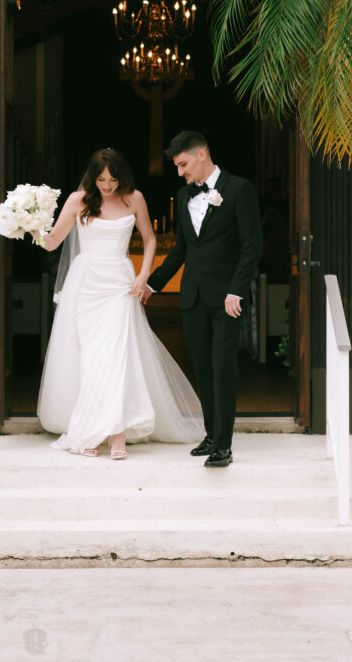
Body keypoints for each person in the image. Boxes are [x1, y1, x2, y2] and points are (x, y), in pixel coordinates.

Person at [34, 148, 204, 458]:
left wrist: (143, 275)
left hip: (119, 284)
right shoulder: (78, 200)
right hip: (86, 286)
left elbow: (150, 238)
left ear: (121, 177)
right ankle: (90, 428)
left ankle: (116, 435)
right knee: (91, 358)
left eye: (113, 179)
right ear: (92, 177)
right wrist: (28, 225)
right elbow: (53, 241)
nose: (107, 186)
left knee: (115, 356)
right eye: (101, 180)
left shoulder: (134, 198)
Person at [141, 132, 262, 468]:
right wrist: (153, 285)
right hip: (192, 296)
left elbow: (252, 245)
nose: (180, 173)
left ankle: (224, 444)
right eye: (177, 166)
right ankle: (211, 435)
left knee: (223, 367)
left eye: (183, 164)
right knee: (203, 369)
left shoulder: (239, 189)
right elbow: (181, 249)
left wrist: (236, 290)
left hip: (227, 299)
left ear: (202, 154)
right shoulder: (183, 196)